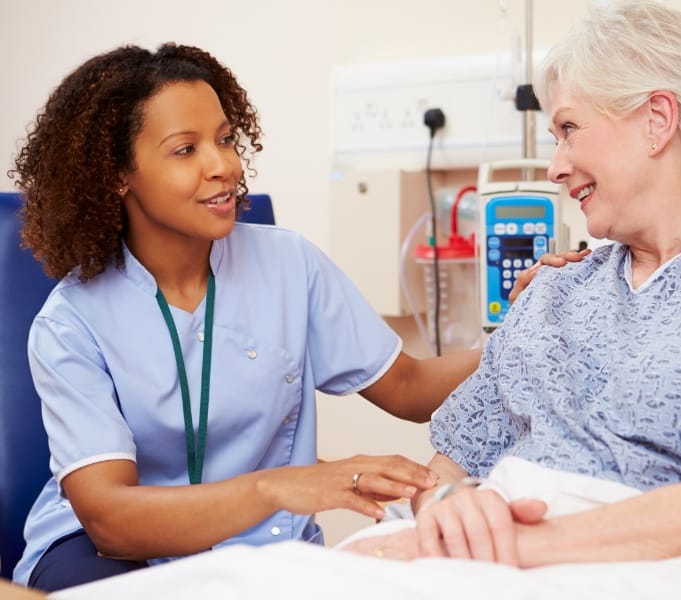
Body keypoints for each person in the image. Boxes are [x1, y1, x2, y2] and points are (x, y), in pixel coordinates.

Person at [344, 0, 681, 583]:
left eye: (568, 129)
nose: (555, 168)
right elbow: (442, 478)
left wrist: (507, 549)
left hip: (671, 564)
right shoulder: (554, 290)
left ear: (658, 119)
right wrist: (449, 514)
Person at [9, 43, 481, 591]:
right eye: (186, 149)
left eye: (226, 139)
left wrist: (530, 324)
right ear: (118, 174)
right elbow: (110, 520)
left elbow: (411, 387)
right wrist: (279, 486)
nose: (224, 165)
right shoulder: (71, 321)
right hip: (103, 553)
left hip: (259, 540)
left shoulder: (288, 264)